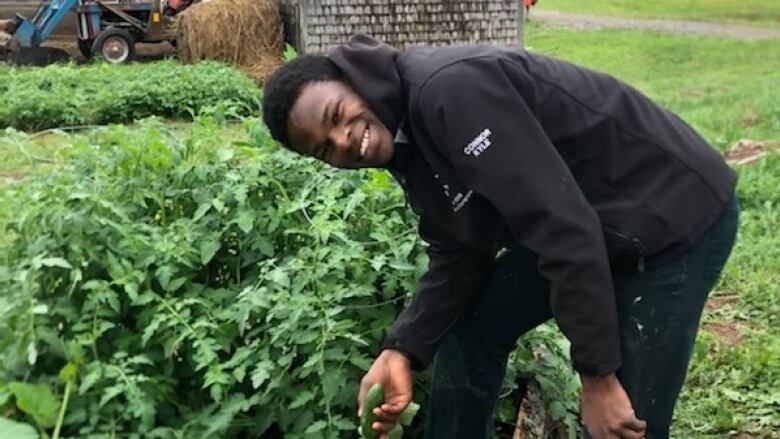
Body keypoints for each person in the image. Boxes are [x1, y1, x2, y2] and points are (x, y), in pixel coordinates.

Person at [261, 34, 739, 439]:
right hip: (589, 224)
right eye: (325, 149)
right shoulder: (402, 137)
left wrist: (597, 375)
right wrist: (401, 348)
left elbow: (561, 228)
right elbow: (458, 251)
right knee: (468, 325)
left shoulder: (449, 90)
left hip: (669, 217)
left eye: (337, 115)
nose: (344, 140)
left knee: (623, 422)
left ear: (353, 80)